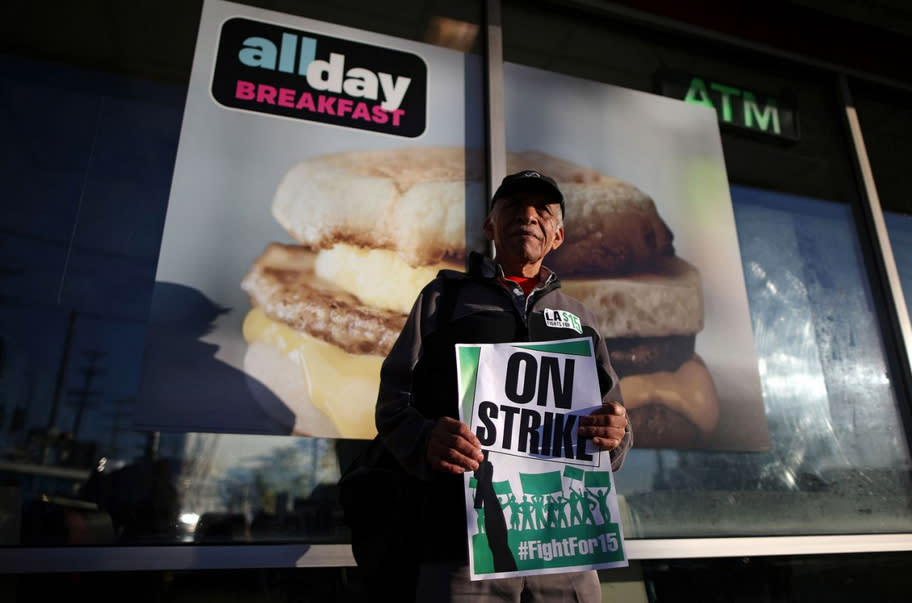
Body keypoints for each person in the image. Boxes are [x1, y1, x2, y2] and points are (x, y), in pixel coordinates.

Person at [375, 169, 633, 602]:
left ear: (558, 235)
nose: (528, 217)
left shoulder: (581, 318)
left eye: (542, 211)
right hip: (463, 552)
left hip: (566, 555)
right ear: (490, 226)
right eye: (513, 208)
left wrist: (617, 435)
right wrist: (426, 440)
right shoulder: (443, 299)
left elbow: (619, 429)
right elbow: (392, 403)